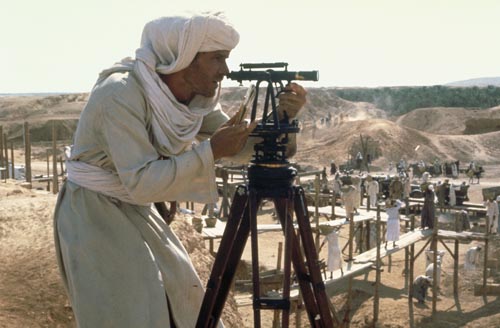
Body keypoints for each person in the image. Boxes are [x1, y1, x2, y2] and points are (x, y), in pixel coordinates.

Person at [53, 12, 307, 327]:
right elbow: (143, 181)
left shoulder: (195, 101)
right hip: (95, 215)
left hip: (137, 206)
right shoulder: (119, 94)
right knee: (125, 311)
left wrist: (281, 118)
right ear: (185, 59)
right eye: (217, 59)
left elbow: (239, 145)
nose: (225, 71)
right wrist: (212, 150)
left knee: (182, 298)